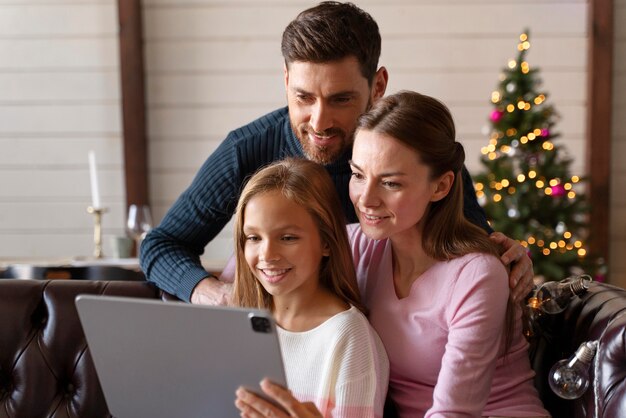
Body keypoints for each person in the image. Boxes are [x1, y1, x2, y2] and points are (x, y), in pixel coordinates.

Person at [140, 1, 534, 306]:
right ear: (286, 81)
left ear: (378, 85)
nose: (319, 121)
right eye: (303, 97)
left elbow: (470, 244)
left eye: (341, 99)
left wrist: (508, 255)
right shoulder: (247, 149)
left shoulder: (417, 150)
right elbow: (160, 245)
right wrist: (211, 293)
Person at [235, 91, 550, 418]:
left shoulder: (477, 276)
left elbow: (453, 413)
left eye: (390, 183)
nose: (366, 200)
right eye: (358, 175)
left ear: (440, 187)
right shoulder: (359, 245)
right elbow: (256, 263)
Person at [231, 158, 389, 418]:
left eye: (288, 238)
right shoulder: (240, 323)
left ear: (326, 242)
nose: (267, 254)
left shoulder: (349, 336)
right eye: (254, 238)